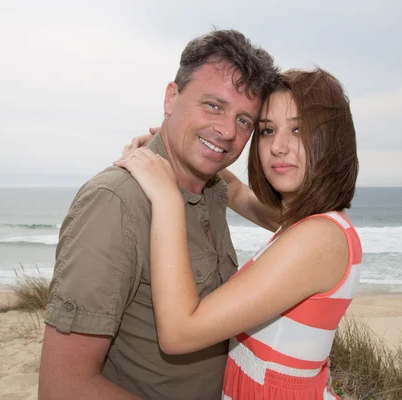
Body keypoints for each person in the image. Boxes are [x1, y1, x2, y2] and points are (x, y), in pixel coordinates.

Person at [38, 29, 278, 400]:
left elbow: (286, 217)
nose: (228, 131)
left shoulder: (214, 188)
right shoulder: (115, 204)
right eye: (213, 105)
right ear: (171, 98)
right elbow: (63, 387)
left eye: (245, 120)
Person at [115, 68, 362, 399]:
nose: (278, 147)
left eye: (299, 129)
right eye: (267, 130)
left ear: (332, 139)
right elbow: (232, 189)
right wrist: (173, 144)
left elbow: (180, 332)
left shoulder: (319, 237)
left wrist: (167, 199)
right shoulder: (300, 221)